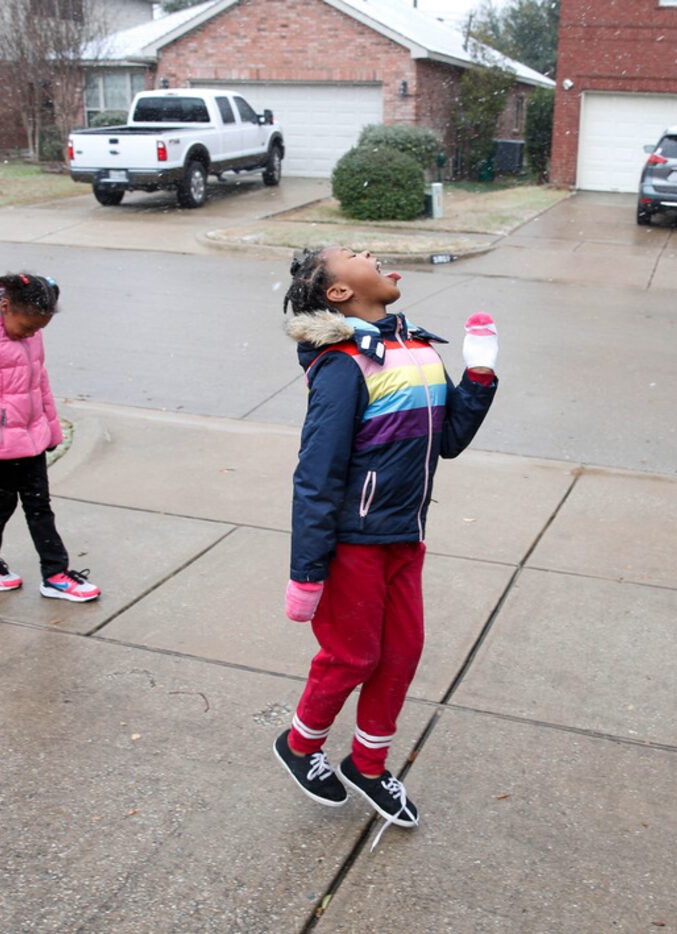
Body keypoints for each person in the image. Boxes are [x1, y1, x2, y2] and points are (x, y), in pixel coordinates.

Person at [274, 246, 498, 838]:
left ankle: (367, 765)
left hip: (405, 533)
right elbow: (316, 473)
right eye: (355, 255)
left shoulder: (417, 348)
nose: (372, 254)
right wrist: (307, 570)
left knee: (400, 653)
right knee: (353, 656)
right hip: (353, 540)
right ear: (340, 293)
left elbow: (447, 439)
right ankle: (300, 744)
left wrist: (478, 376)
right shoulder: (343, 365)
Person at [0, 273, 100, 603]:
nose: (32, 333)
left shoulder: (29, 331)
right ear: (5, 306)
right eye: (28, 327)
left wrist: (51, 429)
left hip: (30, 438)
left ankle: (55, 573)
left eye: (39, 329)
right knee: (2, 503)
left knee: (39, 506)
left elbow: (39, 384)